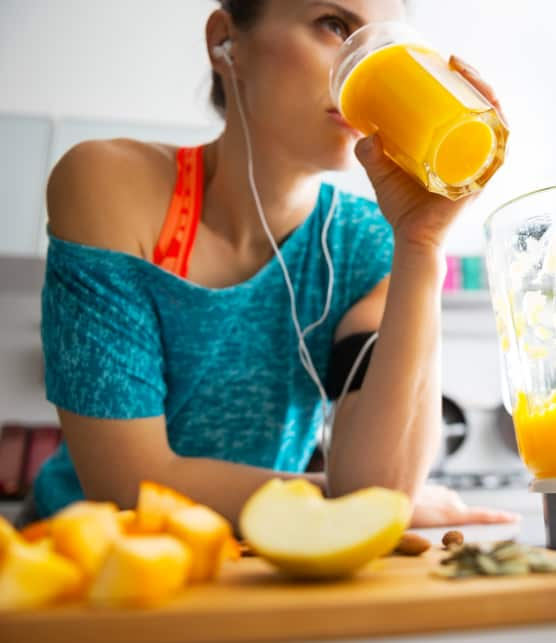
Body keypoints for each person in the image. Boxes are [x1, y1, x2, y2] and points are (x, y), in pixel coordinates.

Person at [23, 0, 518, 531]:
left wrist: (422, 244)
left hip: (252, 570)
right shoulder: (111, 184)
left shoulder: (370, 243)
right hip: (81, 566)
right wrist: (344, 501)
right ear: (224, 42)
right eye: (334, 25)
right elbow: (126, 484)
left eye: (387, 43)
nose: (365, 63)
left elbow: (379, 489)